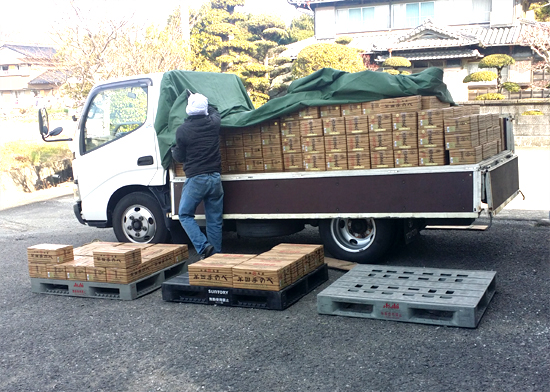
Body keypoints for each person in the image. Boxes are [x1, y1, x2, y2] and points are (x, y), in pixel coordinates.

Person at [171, 92, 223, 259]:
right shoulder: (214, 123)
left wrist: (173, 151)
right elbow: (215, 111)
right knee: (214, 221)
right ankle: (216, 256)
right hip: (215, 178)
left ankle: (204, 247)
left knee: (185, 215)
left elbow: (179, 157)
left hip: (196, 180)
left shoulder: (183, 130)